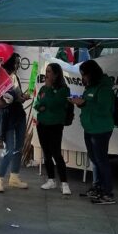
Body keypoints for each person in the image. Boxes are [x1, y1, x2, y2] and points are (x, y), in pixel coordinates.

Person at [69, 59, 116, 205]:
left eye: (84, 75)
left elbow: (103, 108)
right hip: (89, 128)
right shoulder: (90, 87)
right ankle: (98, 187)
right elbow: (87, 105)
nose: (83, 78)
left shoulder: (104, 88)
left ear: (92, 74)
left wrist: (84, 103)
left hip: (101, 129)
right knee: (95, 160)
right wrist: (80, 103)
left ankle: (108, 193)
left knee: (101, 161)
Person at [0, 53, 31, 192]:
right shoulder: (0, 78)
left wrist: (22, 97)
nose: (18, 65)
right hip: (7, 116)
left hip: (19, 114)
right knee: (8, 149)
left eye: (18, 62)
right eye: (15, 62)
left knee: (18, 147)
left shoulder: (16, 77)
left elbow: (18, 96)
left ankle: (14, 177)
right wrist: (11, 99)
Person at [33, 63, 72, 195]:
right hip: (42, 124)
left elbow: (54, 103)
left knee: (56, 153)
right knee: (46, 153)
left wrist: (47, 98)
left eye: (49, 72)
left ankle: (64, 183)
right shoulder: (43, 89)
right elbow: (38, 104)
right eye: (46, 72)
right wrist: (41, 106)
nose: (46, 74)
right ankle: (51, 179)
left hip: (55, 124)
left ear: (56, 74)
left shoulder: (64, 90)